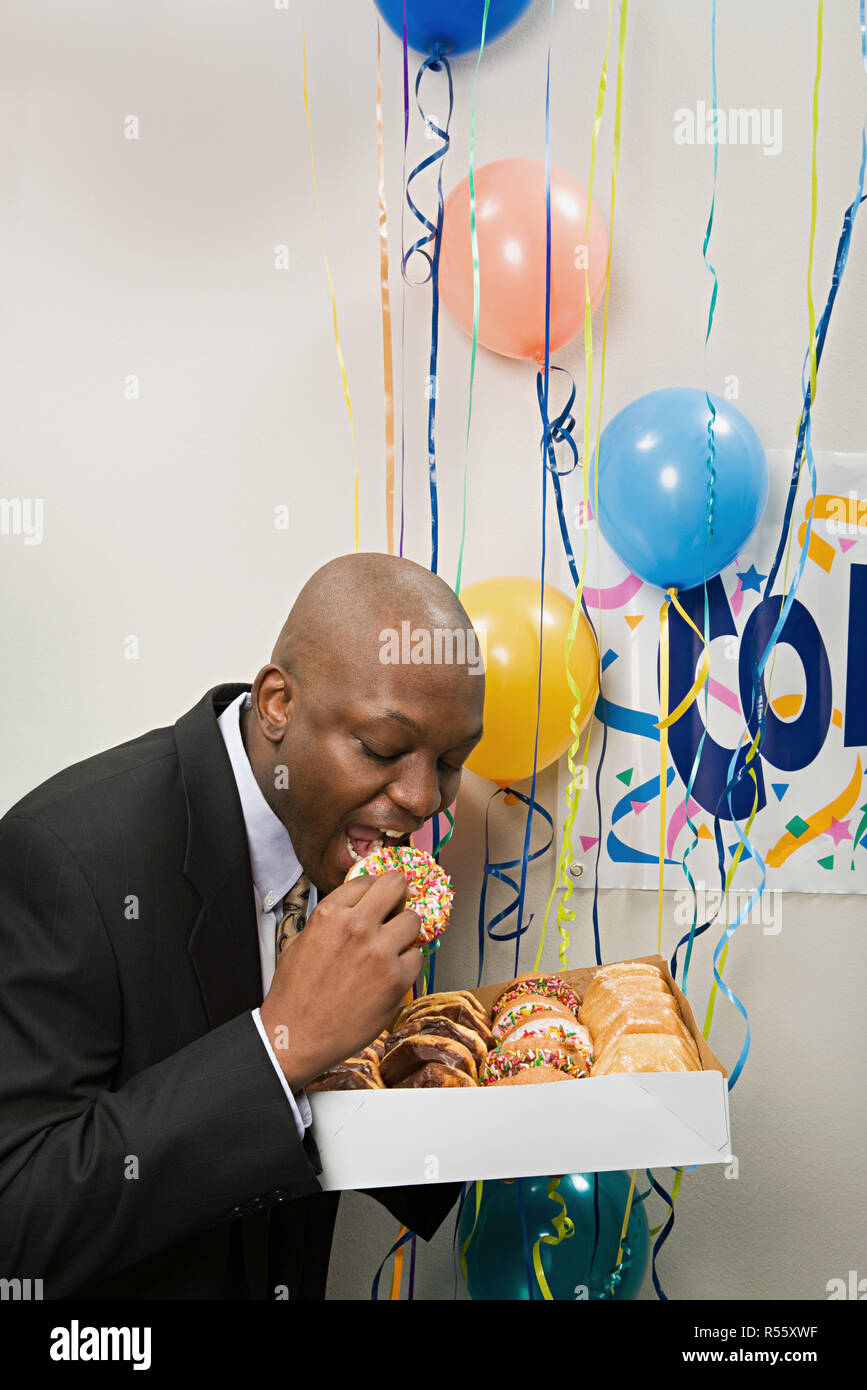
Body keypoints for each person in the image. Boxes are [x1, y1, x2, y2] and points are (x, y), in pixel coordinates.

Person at [0, 552, 485, 1299]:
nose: (424, 799)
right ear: (278, 703)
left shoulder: (357, 852)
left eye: (451, 761)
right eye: (383, 750)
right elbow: (17, 1217)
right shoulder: (66, 857)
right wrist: (279, 1045)